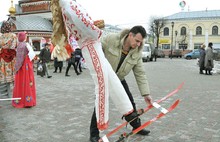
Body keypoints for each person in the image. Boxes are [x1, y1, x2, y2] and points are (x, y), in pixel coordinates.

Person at [50, 1, 153, 142]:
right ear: (130, 35)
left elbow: (140, 72)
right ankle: (95, 132)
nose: (138, 44)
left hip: (118, 76)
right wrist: (95, 33)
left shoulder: (137, 51)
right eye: (137, 40)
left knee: (127, 98)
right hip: (98, 58)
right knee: (101, 95)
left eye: (140, 42)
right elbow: (87, 31)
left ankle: (134, 122)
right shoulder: (111, 39)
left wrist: (146, 93)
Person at [12, 32, 36, 108]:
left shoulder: (18, 45)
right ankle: (27, 101)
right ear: (24, 37)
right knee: (27, 81)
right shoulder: (26, 45)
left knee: (20, 82)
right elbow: (32, 54)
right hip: (26, 65)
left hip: (19, 66)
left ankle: (18, 100)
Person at [0, 20, 17, 98]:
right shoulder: (13, 36)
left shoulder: (0, 36)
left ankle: (8, 94)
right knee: (13, 77)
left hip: (3, 57)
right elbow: (15, 46)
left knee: (6, 77)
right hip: (12, 57)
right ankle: (14, 94)